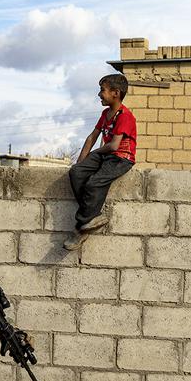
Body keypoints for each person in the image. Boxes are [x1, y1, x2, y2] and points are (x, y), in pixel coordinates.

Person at [63, 73, 138, 250]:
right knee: (76, 173)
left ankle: (81, 227)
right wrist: (80, 163)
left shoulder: (125, 116)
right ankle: (93, 216)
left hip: (121, 158)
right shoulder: (105, 113)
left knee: (93, 183)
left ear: (116, 93)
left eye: (102, 91)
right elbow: (92, 138)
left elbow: (114, 146)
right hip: (106, 154)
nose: (99, 95)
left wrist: (96, 152)